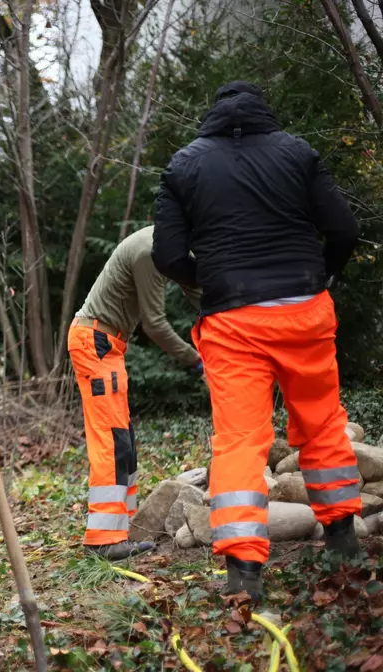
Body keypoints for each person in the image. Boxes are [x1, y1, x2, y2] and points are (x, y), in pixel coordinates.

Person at [152, 81, 361, 601]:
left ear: (213, 115)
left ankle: (244, 576)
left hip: (233, 323)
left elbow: (168, 256)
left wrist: (211, 280)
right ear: (263, 113)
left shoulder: (183, 166)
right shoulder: (297, 153)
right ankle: (342, 541)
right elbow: (344, 230)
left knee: (241, 440)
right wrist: (322, 275)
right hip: (306, 313)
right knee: (323, 423)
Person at [68, 225, 204, 560]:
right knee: (112, 441)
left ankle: (121, 530)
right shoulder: (150, 251)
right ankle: (104, 540)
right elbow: (154, 324)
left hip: (110, 345)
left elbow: (195, 287)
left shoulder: (174, 248)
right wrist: (197, 360)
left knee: (124, 439)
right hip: (94, 342)